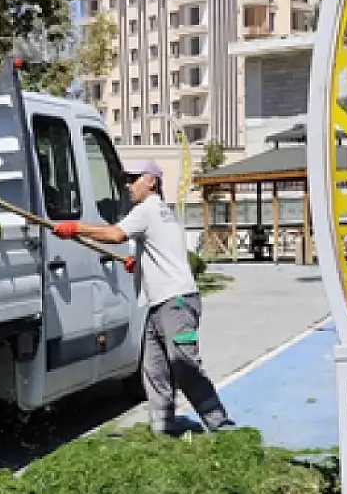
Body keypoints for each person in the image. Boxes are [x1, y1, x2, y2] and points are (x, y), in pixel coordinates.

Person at [53, 160, 236, 436]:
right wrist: (139, 263)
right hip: (162, 303)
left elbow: (115, 234)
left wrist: (76, 228)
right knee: (154, 369)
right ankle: (164, 426)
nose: (128, 185)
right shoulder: (164, 212)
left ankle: (220, 426)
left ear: (151, 181)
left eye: (134, 178)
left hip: (176, 302)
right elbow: (163, 251)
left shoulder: (147, 209)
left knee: (184, 365)